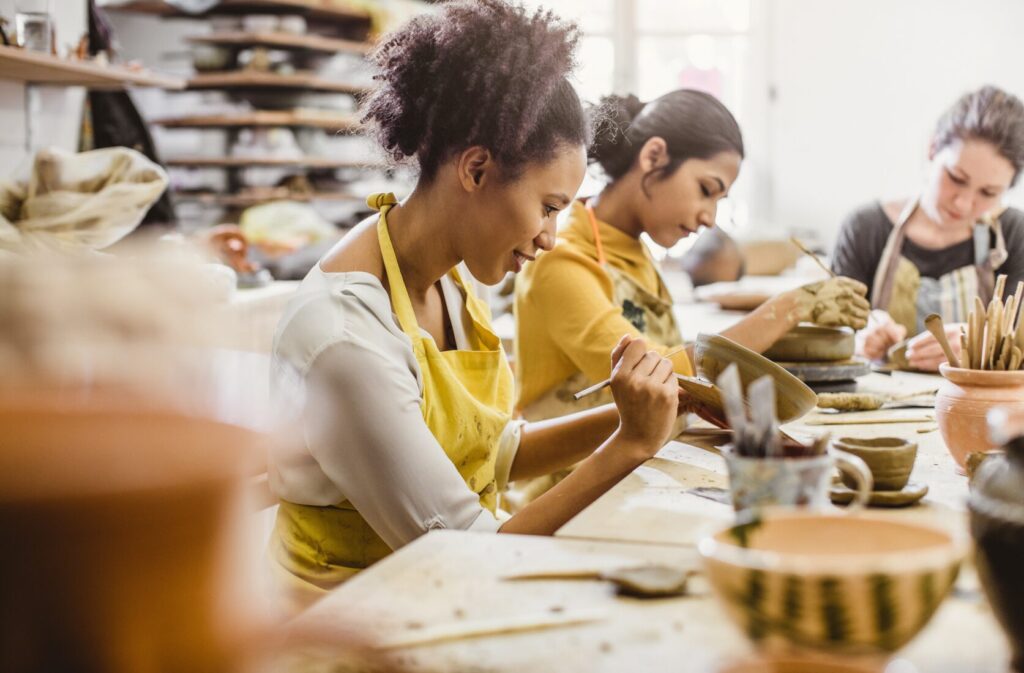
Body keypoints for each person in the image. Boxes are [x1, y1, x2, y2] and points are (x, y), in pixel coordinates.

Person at [266, 0, 699, 613]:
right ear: (475, 169)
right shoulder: (346, 338)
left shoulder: (450, 280)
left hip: (437, 594)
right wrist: (628, 447)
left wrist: (653, 412)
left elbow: (492, 451)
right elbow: (465, 552)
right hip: (351, 625)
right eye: (548, 207)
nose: (550, 237)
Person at [514, 90, 870, 422]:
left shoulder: (632, 248)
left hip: (634, 459)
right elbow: (658, 374)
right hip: (570, 479)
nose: (710, 218)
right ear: (653, 156)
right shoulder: (560, 258)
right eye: (706, 190)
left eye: (718, 201)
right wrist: (790, 308)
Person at [832, 85, 1024, 371]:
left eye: (988, 192)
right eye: (956, 178)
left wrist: (981, 345)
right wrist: (859, 336)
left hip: (978, 409)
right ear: (932, 149)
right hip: (882, 409)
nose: (963, 202)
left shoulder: (1013, 234)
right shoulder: (865, 228)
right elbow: (829, 336)